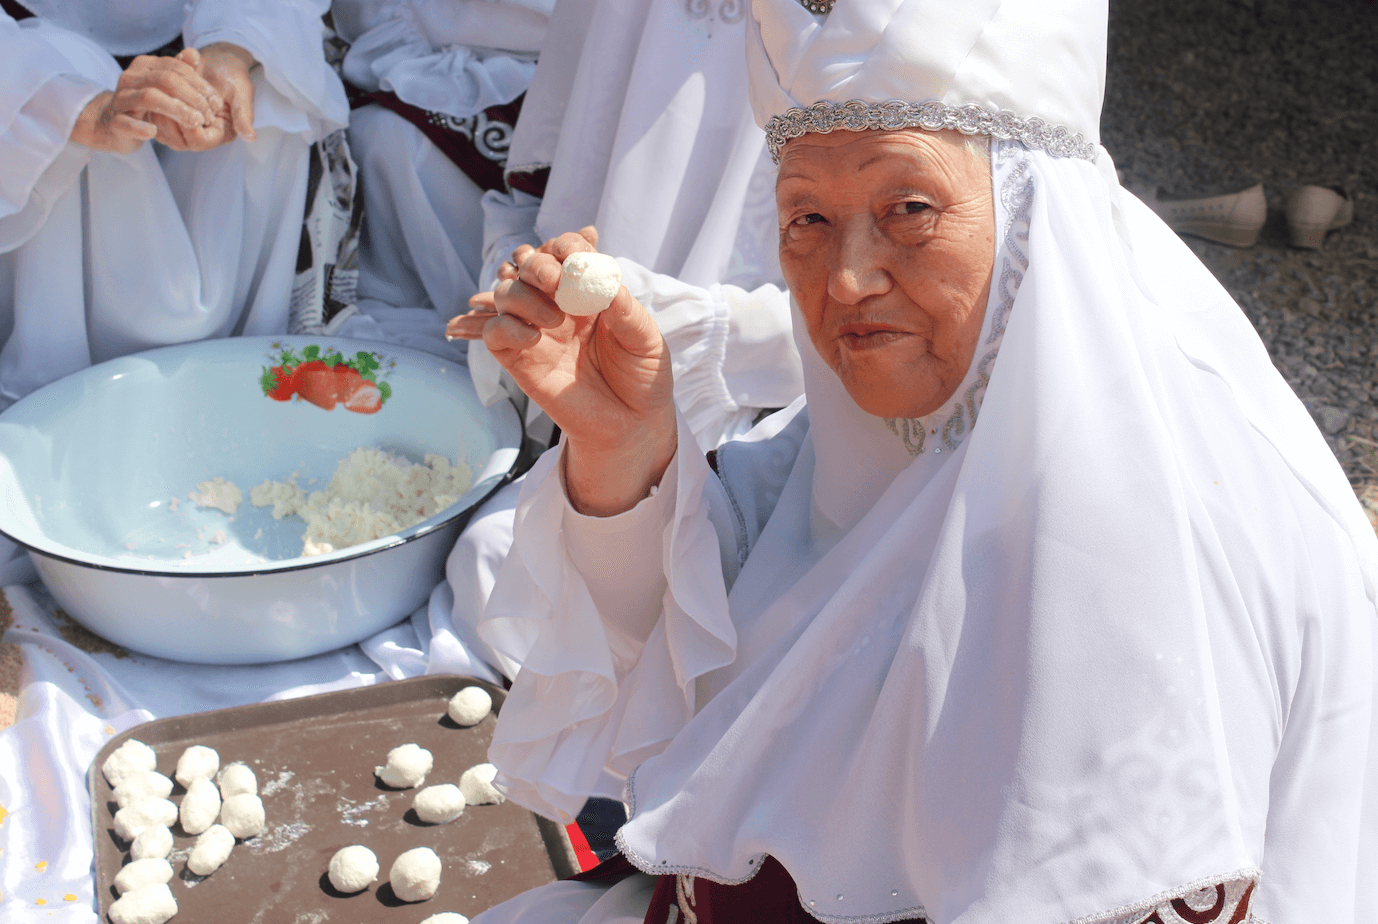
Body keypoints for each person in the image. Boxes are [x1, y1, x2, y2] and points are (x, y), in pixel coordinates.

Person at [462, 0, 1378, 921]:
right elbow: (708, 612)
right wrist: (624, 445)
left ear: (1031, 220)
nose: (848, 277)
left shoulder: (1142, 536)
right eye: (806, 217)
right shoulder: (912, 424)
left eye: (910, 209)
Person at [0, 0, 348, 585]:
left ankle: (256, 395)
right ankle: (52, 433)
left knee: (274, 84)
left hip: (206, 44)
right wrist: (79, 109)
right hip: (33, 78)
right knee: (67, 62)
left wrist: (228, 52)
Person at [326, 0, 553, 357]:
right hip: (392, 64)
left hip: (533, 72)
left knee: (391, 137)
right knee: (379, 135)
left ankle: (485, 326)